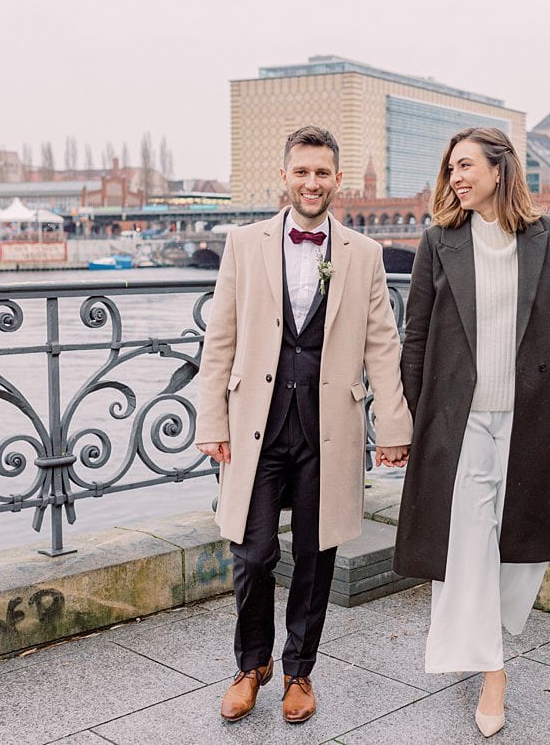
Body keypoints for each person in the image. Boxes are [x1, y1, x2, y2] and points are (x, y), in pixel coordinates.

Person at [393, 127, 550, 737]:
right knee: (467, 545)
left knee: (519, 550)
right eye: (450, 168)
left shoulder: (546, 237)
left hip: (527, 415)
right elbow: (418, 333)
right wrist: (408, 417)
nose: (456, 177)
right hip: (457, 422)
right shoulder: (439, 240)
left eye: (465, 166)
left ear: (498, 169)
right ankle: (493, 674)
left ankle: (483, 639)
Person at [196, 125, 412, 725]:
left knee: (317, 557)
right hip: (255, 426)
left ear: (337, 180)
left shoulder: (364, 255)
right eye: (302, 172)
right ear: (285, 176)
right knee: (254, 552)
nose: (311, 183)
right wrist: (212, 418)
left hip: (330, 429)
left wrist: (394, 427)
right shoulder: (243, 243)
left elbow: (382, 345)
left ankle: (299, 673)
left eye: (322, 173)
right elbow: (221, 340)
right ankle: (251, 664)